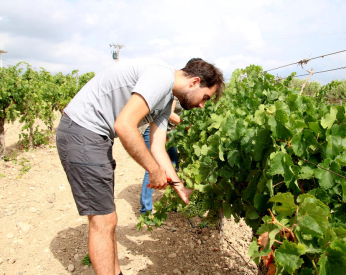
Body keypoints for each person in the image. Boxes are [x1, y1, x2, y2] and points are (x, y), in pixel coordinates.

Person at [55, 58, 224, 275]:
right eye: (205, 97)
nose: (202, 105)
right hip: (82, 132)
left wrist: (180, 187)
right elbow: (124, 125)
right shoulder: (161, 76)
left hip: (95, 137)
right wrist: (153, 170)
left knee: (108, 218)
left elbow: (158, 148)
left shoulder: (165, 99)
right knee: (103, 221)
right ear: (195, 82)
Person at [139, 97, 182, 213]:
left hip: (168, 130)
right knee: (153, 168)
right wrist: (186, 125)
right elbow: (170, 114)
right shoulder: (176, 90)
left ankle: (174, 202)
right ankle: (146, 210)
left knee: (173, 164)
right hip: (152, 128)